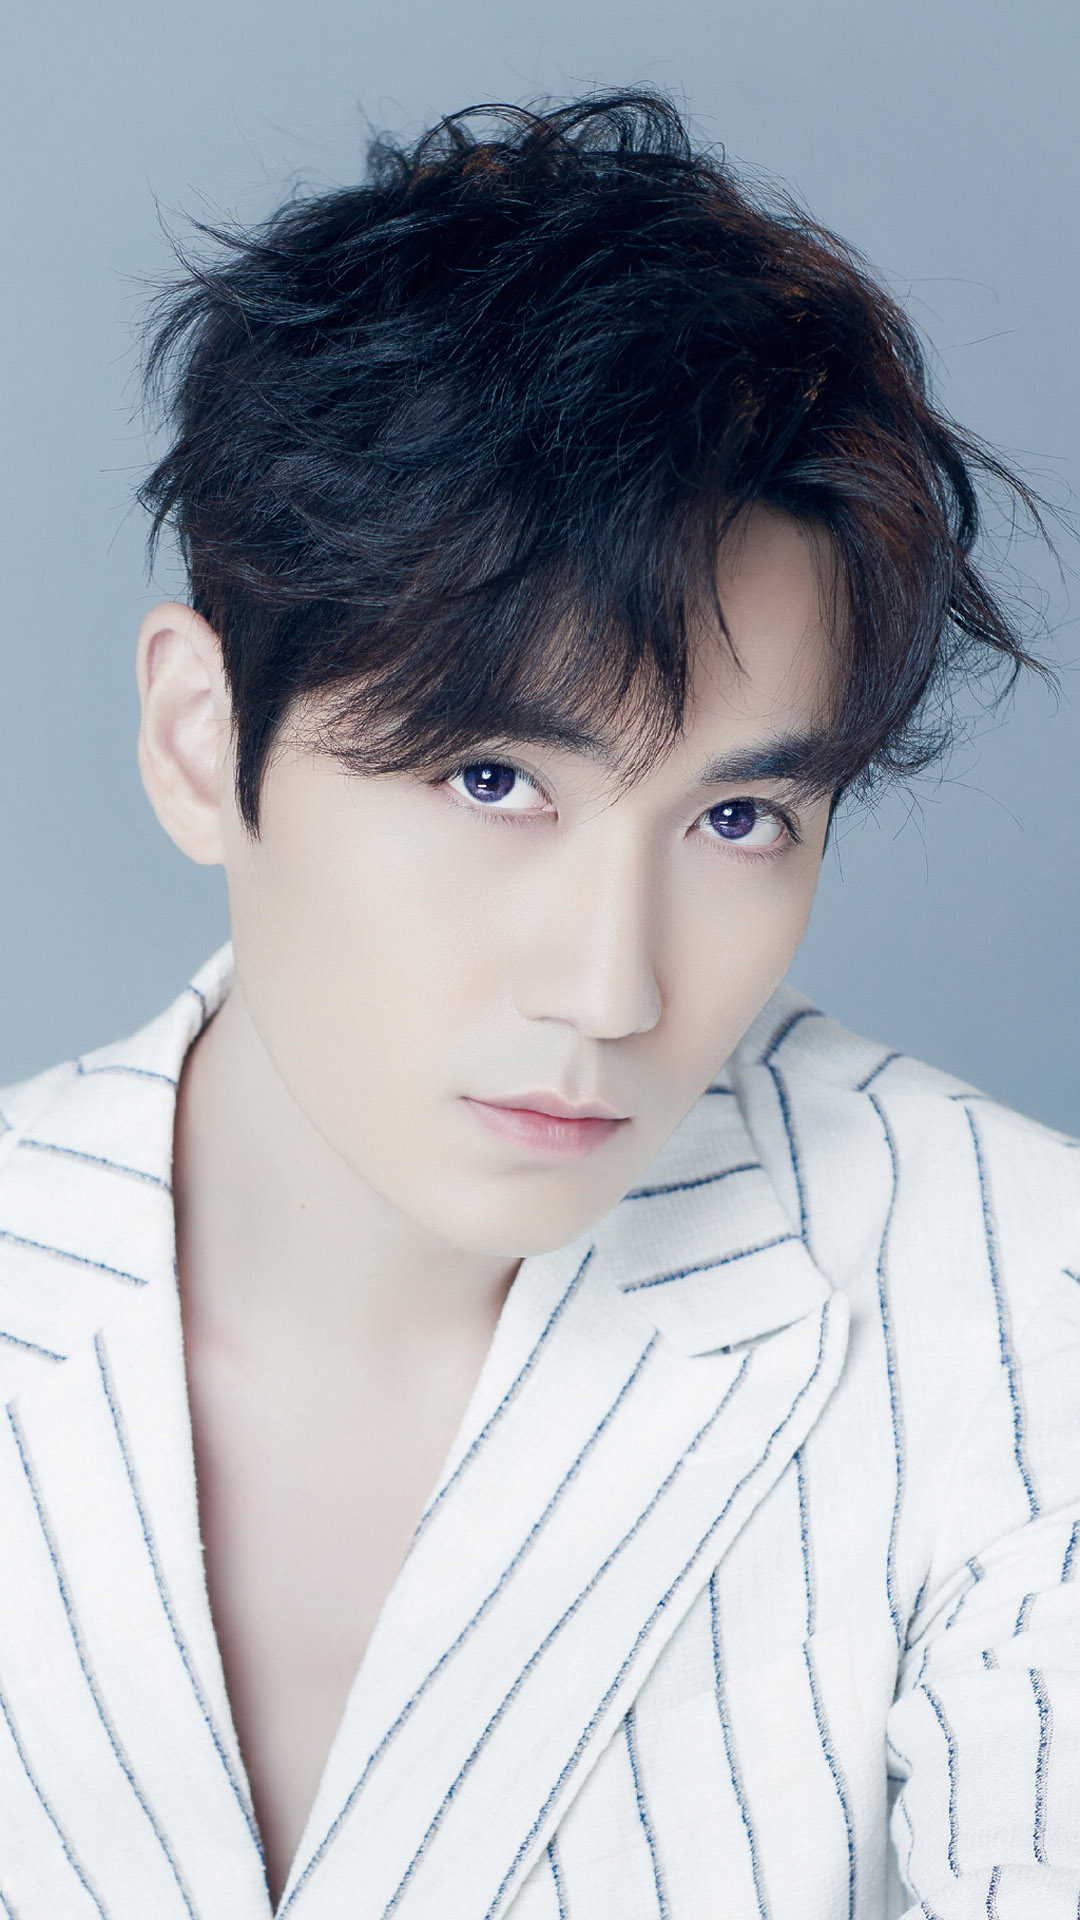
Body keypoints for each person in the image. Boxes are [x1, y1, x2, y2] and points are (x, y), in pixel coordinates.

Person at [0, 90, 1076, 1920]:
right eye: (491, 780)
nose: (611, 984)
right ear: (199, 740)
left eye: (738, 819)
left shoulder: (1019, 1309)